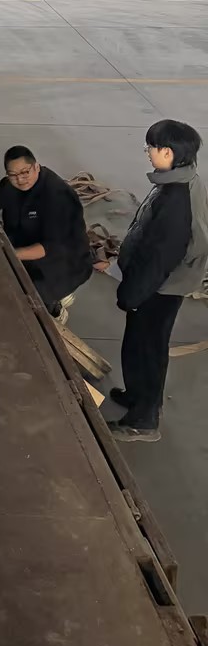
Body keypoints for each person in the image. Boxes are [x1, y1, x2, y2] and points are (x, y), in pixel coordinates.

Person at [108, 119, 208, 443]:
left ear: (168, 152)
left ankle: (143, 420)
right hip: (159, 284)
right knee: (142, 344)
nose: (147, 152)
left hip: (159, 288)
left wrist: (131, 295)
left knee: (146, 349)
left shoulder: (176, 201)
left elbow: (158, 259)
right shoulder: (179, 179)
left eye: (150, 147)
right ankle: (139, 397)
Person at [0, 145, 92, 314]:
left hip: (62, 261)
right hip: (26, 247)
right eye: (13, 174)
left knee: (31, 301)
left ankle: (55, 308)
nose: (20, 179)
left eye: (25, 172)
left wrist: (9, 254)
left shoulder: (57, 196)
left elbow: (51, 247)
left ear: (36, 167)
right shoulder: (9, 186)